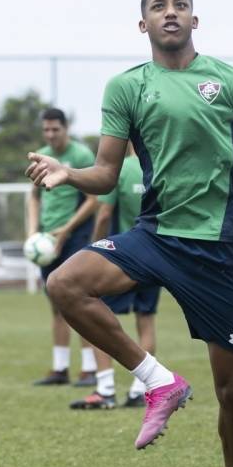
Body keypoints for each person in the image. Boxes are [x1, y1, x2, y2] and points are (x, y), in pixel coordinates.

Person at [26, 0, 233, 467]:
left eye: (180, 5)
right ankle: (160, 381)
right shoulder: (127, 88)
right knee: (64, 283)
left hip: (220, 250)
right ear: (144, 25)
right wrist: (67, 173)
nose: (171, 13)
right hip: (156, 236)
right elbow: (107, 173)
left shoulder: (232, 83)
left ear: (195, 20)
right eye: (159, 6)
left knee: (232, 391)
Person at [70, 143, 162, 410]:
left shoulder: (120, 171)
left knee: (98, 318)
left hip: (122, 258)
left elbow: (105, 214)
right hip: (156, 257)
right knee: (146, 320)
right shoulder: (159, 169)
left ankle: (105, 389)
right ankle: (139, 390)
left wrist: (95, 249)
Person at [26, 107, 101, 387]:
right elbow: (33, 197)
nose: (50, 134)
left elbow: (94, 200)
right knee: (56, 304)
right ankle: (60, 369)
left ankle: (90, 369)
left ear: (65, 128)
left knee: (79, 304)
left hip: (75, 238)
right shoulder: (42, 154)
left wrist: (66, 230)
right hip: (47, 241)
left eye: (55, 129)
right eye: (46, 129)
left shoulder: (80, 155)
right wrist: (33, 232)